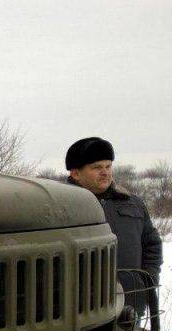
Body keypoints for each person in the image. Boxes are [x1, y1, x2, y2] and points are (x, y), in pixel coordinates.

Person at [66, 137, 162, 319]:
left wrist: (147, 281)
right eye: (96, 167)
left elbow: (152, 245)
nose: (105, 172)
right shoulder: (60, 207)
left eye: (108, 166)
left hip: (130, 307)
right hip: (79, 312)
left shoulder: (133, 203)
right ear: (76, 173)